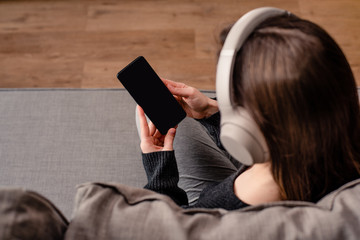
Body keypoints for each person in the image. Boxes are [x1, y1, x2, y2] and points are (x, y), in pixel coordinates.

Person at [137, 12, 360, 210]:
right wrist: (211, 112)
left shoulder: (250, 192)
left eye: (235, 101)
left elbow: (174, 228)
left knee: (168, 125)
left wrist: (159, 170)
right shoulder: (344, 145)